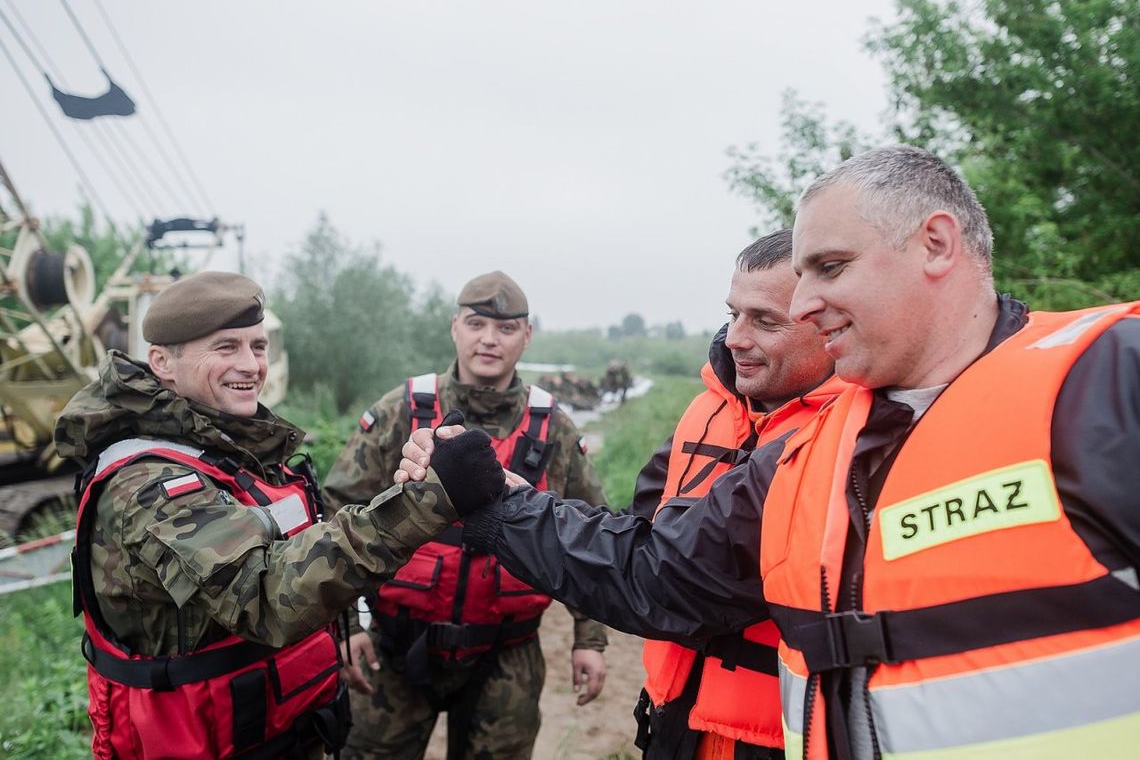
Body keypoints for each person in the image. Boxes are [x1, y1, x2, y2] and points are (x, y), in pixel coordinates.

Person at [399, 146, 1140, 759]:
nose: (807, 304)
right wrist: (493, 498)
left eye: (830, 267)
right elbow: (658, 575)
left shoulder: (1104, 379)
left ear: (936, 244)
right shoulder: (809, 449)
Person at [57, 271, 502, 760]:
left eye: (258, 346)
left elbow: (306, 543)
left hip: (276, 728)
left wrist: (343, 631)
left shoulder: (230, 447)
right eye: (226, 347)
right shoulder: (147, 484)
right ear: (162, 361)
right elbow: (264, 596)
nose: (251, 365)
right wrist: (426, 502)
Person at [322, 270, 611, 760]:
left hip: (507, 655)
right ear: (455, 327)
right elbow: (336, 514)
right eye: (477, 324)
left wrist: (591, 638)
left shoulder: (554, 426)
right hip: (395, 646)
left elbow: (586, 530)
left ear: (526, 335)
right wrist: (345, 627)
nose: (489, 340)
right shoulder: (401, 410)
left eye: (505, 328)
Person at [625, 229, 837, 760]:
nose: (734, 338)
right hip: (673, 713)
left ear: (831, 325)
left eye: (765, 321)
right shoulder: (707, 409)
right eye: (733, 313)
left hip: (772, 737)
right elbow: (637, 541)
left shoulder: (854, 437)